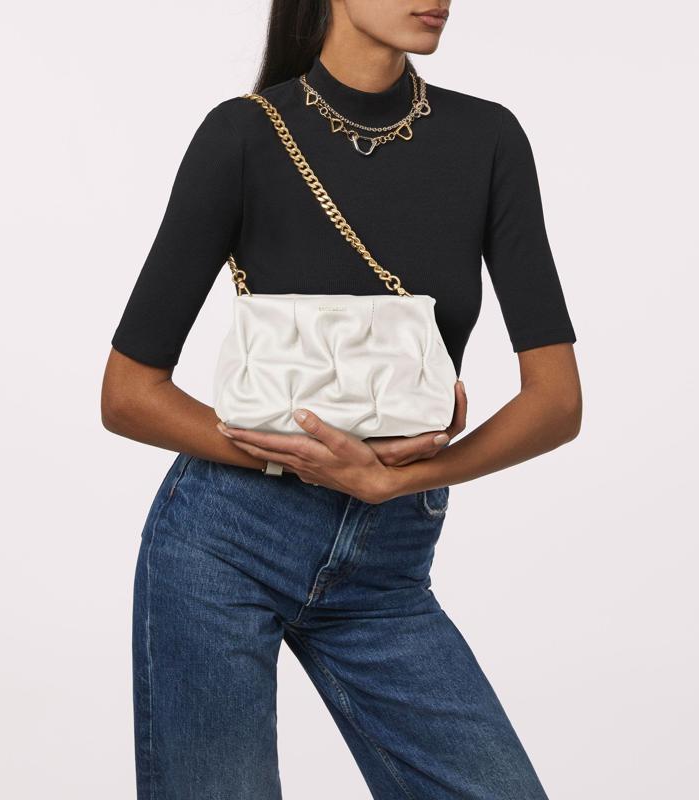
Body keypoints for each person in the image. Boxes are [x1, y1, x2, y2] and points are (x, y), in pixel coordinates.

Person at [101, 1, 582, 797]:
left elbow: (557, 402)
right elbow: (127, 393)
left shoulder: (488, 138)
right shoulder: (244, 135)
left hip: (388, 566)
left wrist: (398, 479)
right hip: (226, 544)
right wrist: (302, 461)